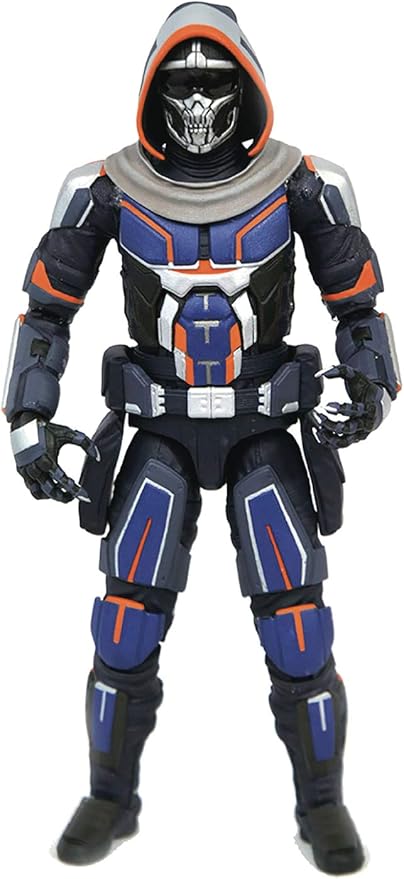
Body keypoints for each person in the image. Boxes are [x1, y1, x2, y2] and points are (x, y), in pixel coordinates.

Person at [3, 2, 400, 873]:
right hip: (161, 427)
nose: (196, 101)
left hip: (264, 426)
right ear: (153, 89)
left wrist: (371, 387)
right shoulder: (105, 188)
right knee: (124, 621)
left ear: (245, 86)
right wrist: (28, 420)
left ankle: (322, 804)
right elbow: (45, 313)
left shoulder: (304, 182)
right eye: (180, 81)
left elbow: (360, 308)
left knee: (298, 624)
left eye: (214, 80)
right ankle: (110, 796)